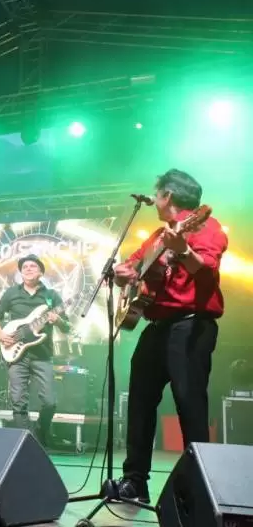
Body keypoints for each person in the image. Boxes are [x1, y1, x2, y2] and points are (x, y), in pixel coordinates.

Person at [113, 169, 227, 503]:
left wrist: (184, 251)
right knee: (139, 401)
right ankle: (135, 482)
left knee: (190, 404)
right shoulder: (157, 235)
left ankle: (200, 489)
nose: (155, 200)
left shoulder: (205, 226)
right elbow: (133, 264)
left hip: (191, 325)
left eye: (157, 194)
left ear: (168, 196)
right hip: (157, 326)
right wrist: (123, 275)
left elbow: (205, 271)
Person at [0, 254, 70, 446]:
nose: (28, 269)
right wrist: (1, 335)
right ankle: (26, 444)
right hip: (16, 355)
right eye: (24, 267)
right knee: (18, 402)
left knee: (49, 402)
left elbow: (67, 326)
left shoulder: (51, 296)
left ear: (41, 272)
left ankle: (39, 433)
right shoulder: (11, 293)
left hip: (43, 355)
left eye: (33, 266)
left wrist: (57, 320)